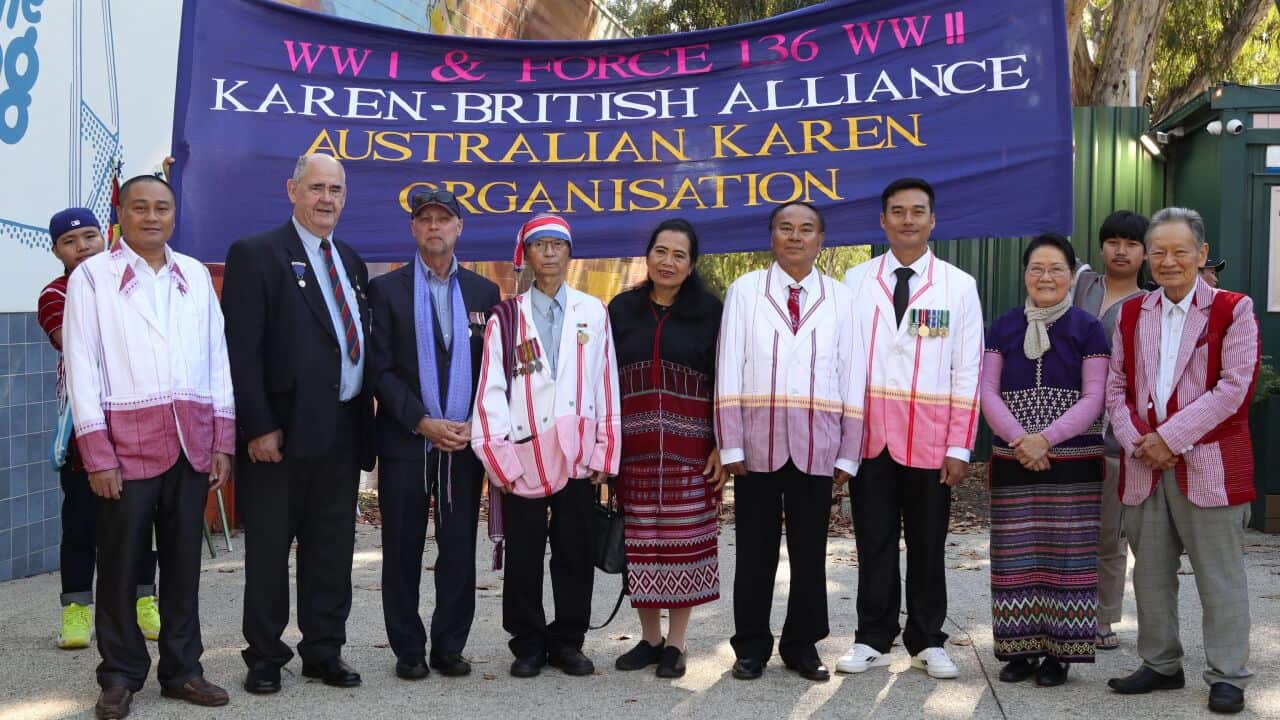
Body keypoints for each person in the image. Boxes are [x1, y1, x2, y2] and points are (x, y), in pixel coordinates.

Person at [63, 175, 233, 718]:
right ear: (121, 213)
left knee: (183, 564)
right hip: (125, 445)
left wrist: (222, 439)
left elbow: (217, 360)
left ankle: (183, 670)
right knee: (118, 563)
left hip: (190, 439)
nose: (152, 217)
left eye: (162, 207)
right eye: (140, 207)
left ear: (175, 215)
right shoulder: (93, 277)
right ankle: (119, 675)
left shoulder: (195, 277)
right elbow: (82, 369)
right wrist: (98, 454)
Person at [222, 154, 376, 694]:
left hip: (341, 430)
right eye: (316, 188)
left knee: (332, 549)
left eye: (335, 189)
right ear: (292, 190)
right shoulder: (256, 254)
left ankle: (323, 650)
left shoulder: (351, 261)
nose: (326, 198)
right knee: (269, 551)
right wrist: (258, 426)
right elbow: (242, 351)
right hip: (279, 438)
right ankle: (265, 656)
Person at [1105, 208, 1259, 715]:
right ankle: (1161, 663)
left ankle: (1228, 673)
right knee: (1149, 574)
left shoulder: (1232, 309)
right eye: (1159, 252)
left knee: (1220, 578)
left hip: (1209, 464)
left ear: (1202, 254)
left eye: (1180, 251)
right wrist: (1138, 442)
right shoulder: (1133, 313)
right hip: (1144, 467)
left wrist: (1169, 438)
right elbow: (1117, 390)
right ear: (1148, 257)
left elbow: (1234, 388)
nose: (1169, 261)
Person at [715, 201, 865, 683]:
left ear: (822, 239)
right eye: (785, 228)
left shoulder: (841, 298)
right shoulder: (745, 291)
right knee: (754, 549)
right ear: (771, 235)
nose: (795, 237)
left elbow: (852, 374)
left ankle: (802, 644)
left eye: (806, 229)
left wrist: (848, 448)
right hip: (757, 441)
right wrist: (730, 442)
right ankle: (751, 646)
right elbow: (728, 365)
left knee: (809, 551)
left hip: (818, 443)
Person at [840, 177, 983, 680]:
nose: (907, 220)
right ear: (882, 221)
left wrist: (961, 446)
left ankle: (927, 639)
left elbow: (967, 371)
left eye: (917, 211)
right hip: (870, 436)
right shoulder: (855, 282)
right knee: (873, 539)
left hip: (930, 436)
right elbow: (840, 364)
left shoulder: (957, 286)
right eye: (897, 211)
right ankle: (872, 637)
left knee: (928, 541)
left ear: (932, 220)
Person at [471, 213, 621, 679]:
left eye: (558, 244)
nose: (550, 253)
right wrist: (499, 457)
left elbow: (605, 382)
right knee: (524, 550)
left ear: (570, 253)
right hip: (524, 452)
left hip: (576, 454)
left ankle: (568, 640)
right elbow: (491, 389)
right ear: (527, 255)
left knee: (575, 549)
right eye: (541, 245)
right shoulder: (507, 317)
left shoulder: (593, 312)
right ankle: (528, 642)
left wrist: (604, 451)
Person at [367, 188, 500, 680]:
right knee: (402, 547)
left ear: (459, 228)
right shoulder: (387, 291)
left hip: (462, 444)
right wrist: (422, 420)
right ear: (413, 229)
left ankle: (449, 646)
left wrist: (475, 422)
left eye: (444, 219)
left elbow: (494, 370)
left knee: (458, 547)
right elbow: (379, 370)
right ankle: (408, 649)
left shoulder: (484, 293)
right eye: (425, 220)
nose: (435, 227)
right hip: (407, 439)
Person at [981, 233, 1109, 687]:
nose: (1046, 277)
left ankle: (1061, 653)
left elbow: (1095, 397)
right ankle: (1020, 650)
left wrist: (1046, 439)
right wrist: (1020, 439)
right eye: (1037, 268)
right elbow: (988, 392)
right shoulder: (1003, 327)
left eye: (1056, 268)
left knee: (1067, 556)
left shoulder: (1088, 328)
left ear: (1072, 275)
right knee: (1016, 554)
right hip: (1014, 458)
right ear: (1024, 274)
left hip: (1073, 460)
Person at [608, 218, 726, 679]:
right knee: (641, 544)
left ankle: (676, 644)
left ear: (692, 263)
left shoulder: (711, 312)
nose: (668, 261)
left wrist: (720, 444)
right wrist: (605, 448)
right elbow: (601, 380)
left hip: (691, 450)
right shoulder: (620, 310)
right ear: (648, 256)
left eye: (679, 254)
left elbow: (725, 382)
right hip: (633, 450)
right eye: (661, 251)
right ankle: (649, 639)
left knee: (683, 545)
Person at [38, 209, 160, 651]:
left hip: (138, 422)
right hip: (84, 429)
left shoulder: (131, 279)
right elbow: (76, 342)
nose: (83, 246)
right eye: (71, 242)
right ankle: (75, 611)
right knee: (81, 523)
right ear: (56, 251)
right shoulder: (54, 294)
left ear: (104, 236)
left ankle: (145, 601)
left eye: (90, 236)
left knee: (140, 520)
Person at [1072, 210, 1149, 650]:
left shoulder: (1147, 305)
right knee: (1065, 530)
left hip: (1112, 441)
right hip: (1064, 433)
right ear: (1101, 247)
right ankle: (1062, 610)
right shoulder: (1082, 284)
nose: (1121, 251)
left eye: (1131, 243)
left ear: (1144, 253)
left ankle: (1102, 619)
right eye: (1113, 241)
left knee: (1107, 535)